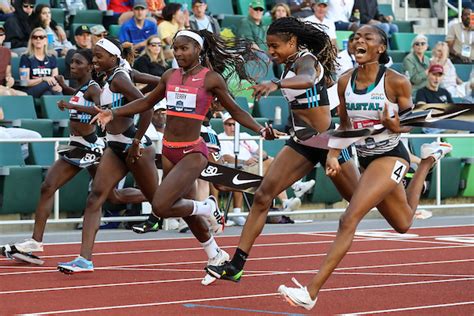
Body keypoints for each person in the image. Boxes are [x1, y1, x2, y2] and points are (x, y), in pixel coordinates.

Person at [277, 24, 453, 311]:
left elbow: (410, 121)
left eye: (366, 37)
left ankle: (311, 292)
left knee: (349, 218)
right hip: (365, 156)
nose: (358, 39)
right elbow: (345, 126)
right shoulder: (345, 82)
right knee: (403, 224)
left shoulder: (396, 82)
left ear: (381, 48)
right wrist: (333, 154)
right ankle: (429, 160)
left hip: (392, 155)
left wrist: (396, 125)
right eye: (355, 36)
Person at [92, 30, 278, 283]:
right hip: (169, 150)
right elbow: (146, 103)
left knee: (160, 205)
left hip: (193, 151)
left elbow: (235, 110)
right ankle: (215, 254)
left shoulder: (210, 79)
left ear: (198, 50)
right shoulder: (170, 76)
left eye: (184, 48)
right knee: (185, 211)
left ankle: (208, 207)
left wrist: (260, 129)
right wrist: (113, 113)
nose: (178, 53)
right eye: (175, 48)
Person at [205, 17, 360, 282]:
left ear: (293, 42)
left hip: (326, 142)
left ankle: (403, 182)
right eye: (268, 45)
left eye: (275, 45)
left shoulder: (306, 60)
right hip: (302, 143)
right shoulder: (289, 65)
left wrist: (276, 84)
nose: (271, 51)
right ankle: (236, 265)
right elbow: (302, 108)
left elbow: (309, 79)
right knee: (264, 195)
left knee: (361, 202)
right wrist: (284, 128)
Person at [0, 49, 146, 263]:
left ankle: (160, 198)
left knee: (64, 188)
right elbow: (81, 99)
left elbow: (100, 111)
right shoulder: (83, 87)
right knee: (59, 188)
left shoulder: (95, 88)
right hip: (77, 145)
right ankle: (35, 241)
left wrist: (71, 105)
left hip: (89, 146)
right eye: (71, 62)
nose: (72, 65)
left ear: (89, 67)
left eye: (78, 62)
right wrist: (66, 88)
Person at [55, 38, 158, 274]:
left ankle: (202, 210)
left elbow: (147, 108)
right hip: (114, 146)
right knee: (96, 198)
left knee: (161, 203)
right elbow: (101, 109)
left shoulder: (120, 77)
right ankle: (84, 259)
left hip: (135, 146)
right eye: (94, 56)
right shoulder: (107, 77)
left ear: (113, 58)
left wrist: (135, 141)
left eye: (99, 56)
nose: (95, 61)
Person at [218, 112, 302, 219]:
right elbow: (225, 157)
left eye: (234, 124)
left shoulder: (245, 136)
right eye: (229, 124)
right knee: (273, 165)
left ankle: (287, 199)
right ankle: (294, 188)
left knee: (271, 164)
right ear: (223, 125)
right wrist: (245, 161)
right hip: (235, 170)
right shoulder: (221, 138)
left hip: (254, 168)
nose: (232, 127)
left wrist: (260, 157)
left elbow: (261, 152)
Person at [19, 28, 62, 98]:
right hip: (30, 90)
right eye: (35, 37)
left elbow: (54, 78)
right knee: (48, 84)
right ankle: (66, 107)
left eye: (41, 37)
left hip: (47, 89)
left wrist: (57, 86)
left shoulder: (51, 58)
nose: (38, 39)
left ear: (46, 41)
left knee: (48, 94)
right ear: (32, 41)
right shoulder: (25, 57)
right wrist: (42, 79)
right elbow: (25, 82)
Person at [415, 63, 453, 134]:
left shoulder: (445, 92)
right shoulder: (421, 92)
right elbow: (421, 110)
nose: (437, 78)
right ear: (428, 75)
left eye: (439, 75)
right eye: (434, 74)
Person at [0, 25, 27, 96]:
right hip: (2, 89)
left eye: (1, 34)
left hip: (3, 87)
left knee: (23, 95)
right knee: (6, 93)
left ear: (4, 37)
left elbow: (8, 73)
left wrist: (9, 79)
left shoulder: (6, 52)